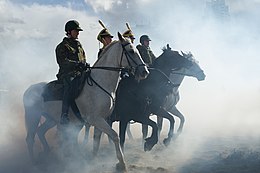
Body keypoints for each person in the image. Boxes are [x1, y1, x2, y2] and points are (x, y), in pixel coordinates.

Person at [55, 20, 87, 124]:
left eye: (78, 31)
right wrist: (77, 64)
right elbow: (63, 62)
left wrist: (84, 64)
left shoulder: (79, 45)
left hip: (79, 73)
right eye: (76, 31)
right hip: (67, 74)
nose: (78, 33)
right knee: (69, 85)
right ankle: (64, 114)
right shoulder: (62, 46)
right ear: (69, 32)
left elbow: (83, 59)